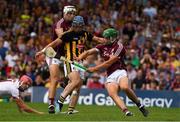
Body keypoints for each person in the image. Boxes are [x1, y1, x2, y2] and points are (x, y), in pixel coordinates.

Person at [36, 15, 107, 114]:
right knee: (75, 80)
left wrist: (105, 41)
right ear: (73, 25)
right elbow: (54, 44)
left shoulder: (85, 33)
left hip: (80, 62)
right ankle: (59, 101)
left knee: (77, 87)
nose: (78, 28)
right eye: (76, 25)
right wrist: (42, 51)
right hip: (69, 61)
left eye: (80, 26)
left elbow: (97, 39)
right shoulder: (67, 35)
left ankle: (70, 110)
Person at [77, 28, 149, 117]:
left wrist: (94, 69)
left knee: (125, 87)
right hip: (110, 74)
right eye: (104, 37)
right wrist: (79, 58)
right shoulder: (102, 46)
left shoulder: (119, 47)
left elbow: (108, 63)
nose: (104, 39)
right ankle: (126, 111)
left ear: (113, 38)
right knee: (112, 94)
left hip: (120, 71)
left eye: (107, 38)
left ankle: (140, 105)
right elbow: (88, 52)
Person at [36, 5, 77, 114]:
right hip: (53, 54)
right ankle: (51, 104)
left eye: (73, 14)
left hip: (66, 56)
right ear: (64, 13)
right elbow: (62, 36)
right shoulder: (59, 24)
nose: (71, 15)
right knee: (54, 79)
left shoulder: (75, 24)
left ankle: (64, 83)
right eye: (69, 13)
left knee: (73, 79)